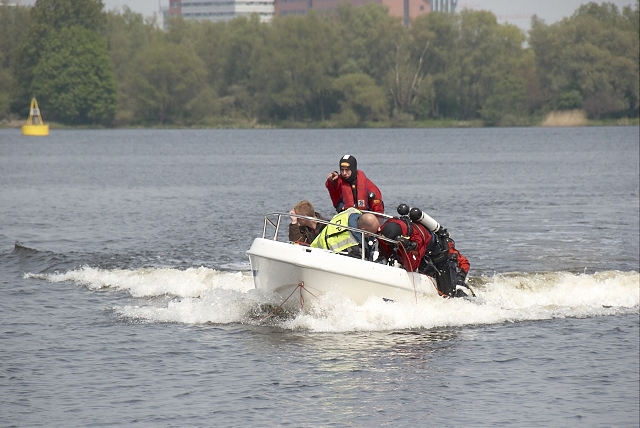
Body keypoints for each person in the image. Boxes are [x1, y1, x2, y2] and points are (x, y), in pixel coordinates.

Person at [378, 204, 472, 298]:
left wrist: (460, 278)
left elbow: (412, 266)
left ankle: (462, 295)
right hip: (424, 257)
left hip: (439, 262)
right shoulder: (389, 226)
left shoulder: (420, 237)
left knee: (448, 295)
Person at [310, 207, 380, 259]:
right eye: (371, 233)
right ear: (363, 230)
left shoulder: (351, 211)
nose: (372, 235)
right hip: (317, 255)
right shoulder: (354, 246)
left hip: (315, 244)